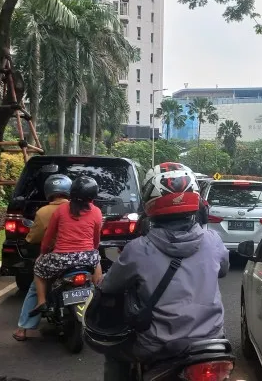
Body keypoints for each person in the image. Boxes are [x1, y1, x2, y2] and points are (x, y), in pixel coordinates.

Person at [94, 162, 230, 380]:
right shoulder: (213, 241)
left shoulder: (137, 249)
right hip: (211, 342)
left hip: (158, 345)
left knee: (115, 354)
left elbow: (110, 286)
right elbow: (223, 271)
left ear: (150, 203)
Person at [29, 176, 103, 317]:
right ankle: (98, 295)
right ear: (93, 196)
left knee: (38, 269)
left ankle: (41, 301)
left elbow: (48, 238)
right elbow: (96, 240)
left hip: (61, 259)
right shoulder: (97, 212)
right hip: (87, 258)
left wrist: (42, 254)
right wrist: (92, 251)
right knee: (96, 259)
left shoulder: (61, 210)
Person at [12, 174, 71, 342]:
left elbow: (35, 237)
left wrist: (31, 241)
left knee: (35, 287)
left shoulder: (44, 211)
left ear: (49, 191)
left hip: (54, 256)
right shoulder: (78, 209)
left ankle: (24, 328)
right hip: (81, 256)